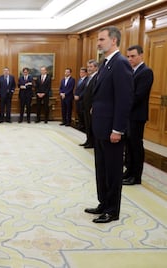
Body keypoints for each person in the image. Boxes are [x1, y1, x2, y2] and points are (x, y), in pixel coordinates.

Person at [84, 25, 133, 223]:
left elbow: (124, 99)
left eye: (102, 39)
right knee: (102, 168)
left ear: (113, 40)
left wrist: (118, 129)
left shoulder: (121, 63)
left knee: (113, 171)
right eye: (98, 40)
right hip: (100, 126)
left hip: (112, 129)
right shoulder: (105, 63)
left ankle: (112, 210)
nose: (98, 43)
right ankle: (103, 203)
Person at [123, 45, 154, 185]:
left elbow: (138, 95)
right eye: (128, 56)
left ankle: (136, 176)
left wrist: (122, 106)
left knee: (135, 145)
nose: (130, 59)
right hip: (128, 115)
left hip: (137, 115)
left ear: (141, 55)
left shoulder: (146, 72)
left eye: (133, 56)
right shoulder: (130, 71)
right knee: (128, 145)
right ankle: (128, 171)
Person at [79, 60, 98, 149]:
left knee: (91, 125)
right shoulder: (89, 78)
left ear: (96, 67)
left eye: (91, 67)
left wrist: (93, 106)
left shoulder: (97, 78)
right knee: (87, 124)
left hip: (91, 107)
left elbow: (96, 94)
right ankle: (88, 140)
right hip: (85, 106)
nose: (89, 69)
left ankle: (92, 142)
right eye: (88, 67)